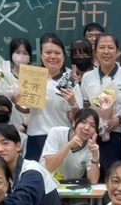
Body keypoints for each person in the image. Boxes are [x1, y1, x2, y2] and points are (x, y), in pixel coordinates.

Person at [80, 33, 121, 174]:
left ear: (117, 52)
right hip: (95, 137)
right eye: (102, 47)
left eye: (110, 48)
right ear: (95, 52)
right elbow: (86, 109)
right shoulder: (87, 77)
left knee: (120, 176)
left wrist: (120, 119)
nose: (106, 51)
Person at [24, 34, 83, 163]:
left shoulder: (69, 81)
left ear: (63, 56)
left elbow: (76, 119)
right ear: (41, 56)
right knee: (35, 173)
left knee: (60, 174)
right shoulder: (33, 77)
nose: (53, 57)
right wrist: (15, 100)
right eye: (48, 52)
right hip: (36, 136)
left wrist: (73, 103)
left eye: (57, 53)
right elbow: (25, 109)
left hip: (61, 137)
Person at [0, 123, 61, 205]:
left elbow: (20, 204)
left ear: (18, 146)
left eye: (5, 143)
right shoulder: (0, 171)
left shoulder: (32, 170)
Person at [41, 107, 101, 183]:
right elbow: (49, 167)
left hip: (71, 187)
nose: (87, 128)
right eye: (83, 122)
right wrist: (68, 145)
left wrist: (95, 157)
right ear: (74, 122)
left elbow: (93, 181)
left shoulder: (92, 147)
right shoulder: (56, 132)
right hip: (45, 183)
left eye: (92, 126)